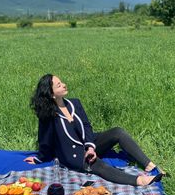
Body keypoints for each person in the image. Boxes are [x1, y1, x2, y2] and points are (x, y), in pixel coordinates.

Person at [24, 74, 164, 186]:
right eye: (59, 85)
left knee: (117, 132)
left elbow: (86, 126)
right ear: (52, 94)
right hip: (72, 154)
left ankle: (149, 165)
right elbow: (45, 140)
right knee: (97, 164)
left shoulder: (75, 103)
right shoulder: (48, 115)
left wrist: (90, 146)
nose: (64, 85)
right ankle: (138, 181)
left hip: (86, 143)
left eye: (62, 82)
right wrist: (39, 158)